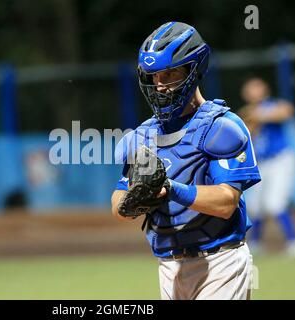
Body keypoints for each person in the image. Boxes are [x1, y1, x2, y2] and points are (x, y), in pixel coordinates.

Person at [111, 21, 261, 300]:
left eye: (170, 74)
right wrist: (132, 200)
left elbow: (227, 202)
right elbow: (118, 205)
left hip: (220, 263)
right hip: (168, 267)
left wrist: (171, 188)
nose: (160, 86)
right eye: (154, 76)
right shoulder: (142, 136)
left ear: (194, 70)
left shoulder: (221, 127)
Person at [239, 77, 295, 257]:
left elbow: (287, 111)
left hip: (281, 160)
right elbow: (244, 132)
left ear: (264, 90)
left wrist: (258, 115)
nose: (253, 92)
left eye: (256, 88)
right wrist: (251, 120)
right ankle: (255, 244)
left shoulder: (272, 105)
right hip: (263, 163)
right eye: (249, 89)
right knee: (255, 206)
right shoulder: (246, 113)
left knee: (275, 203)